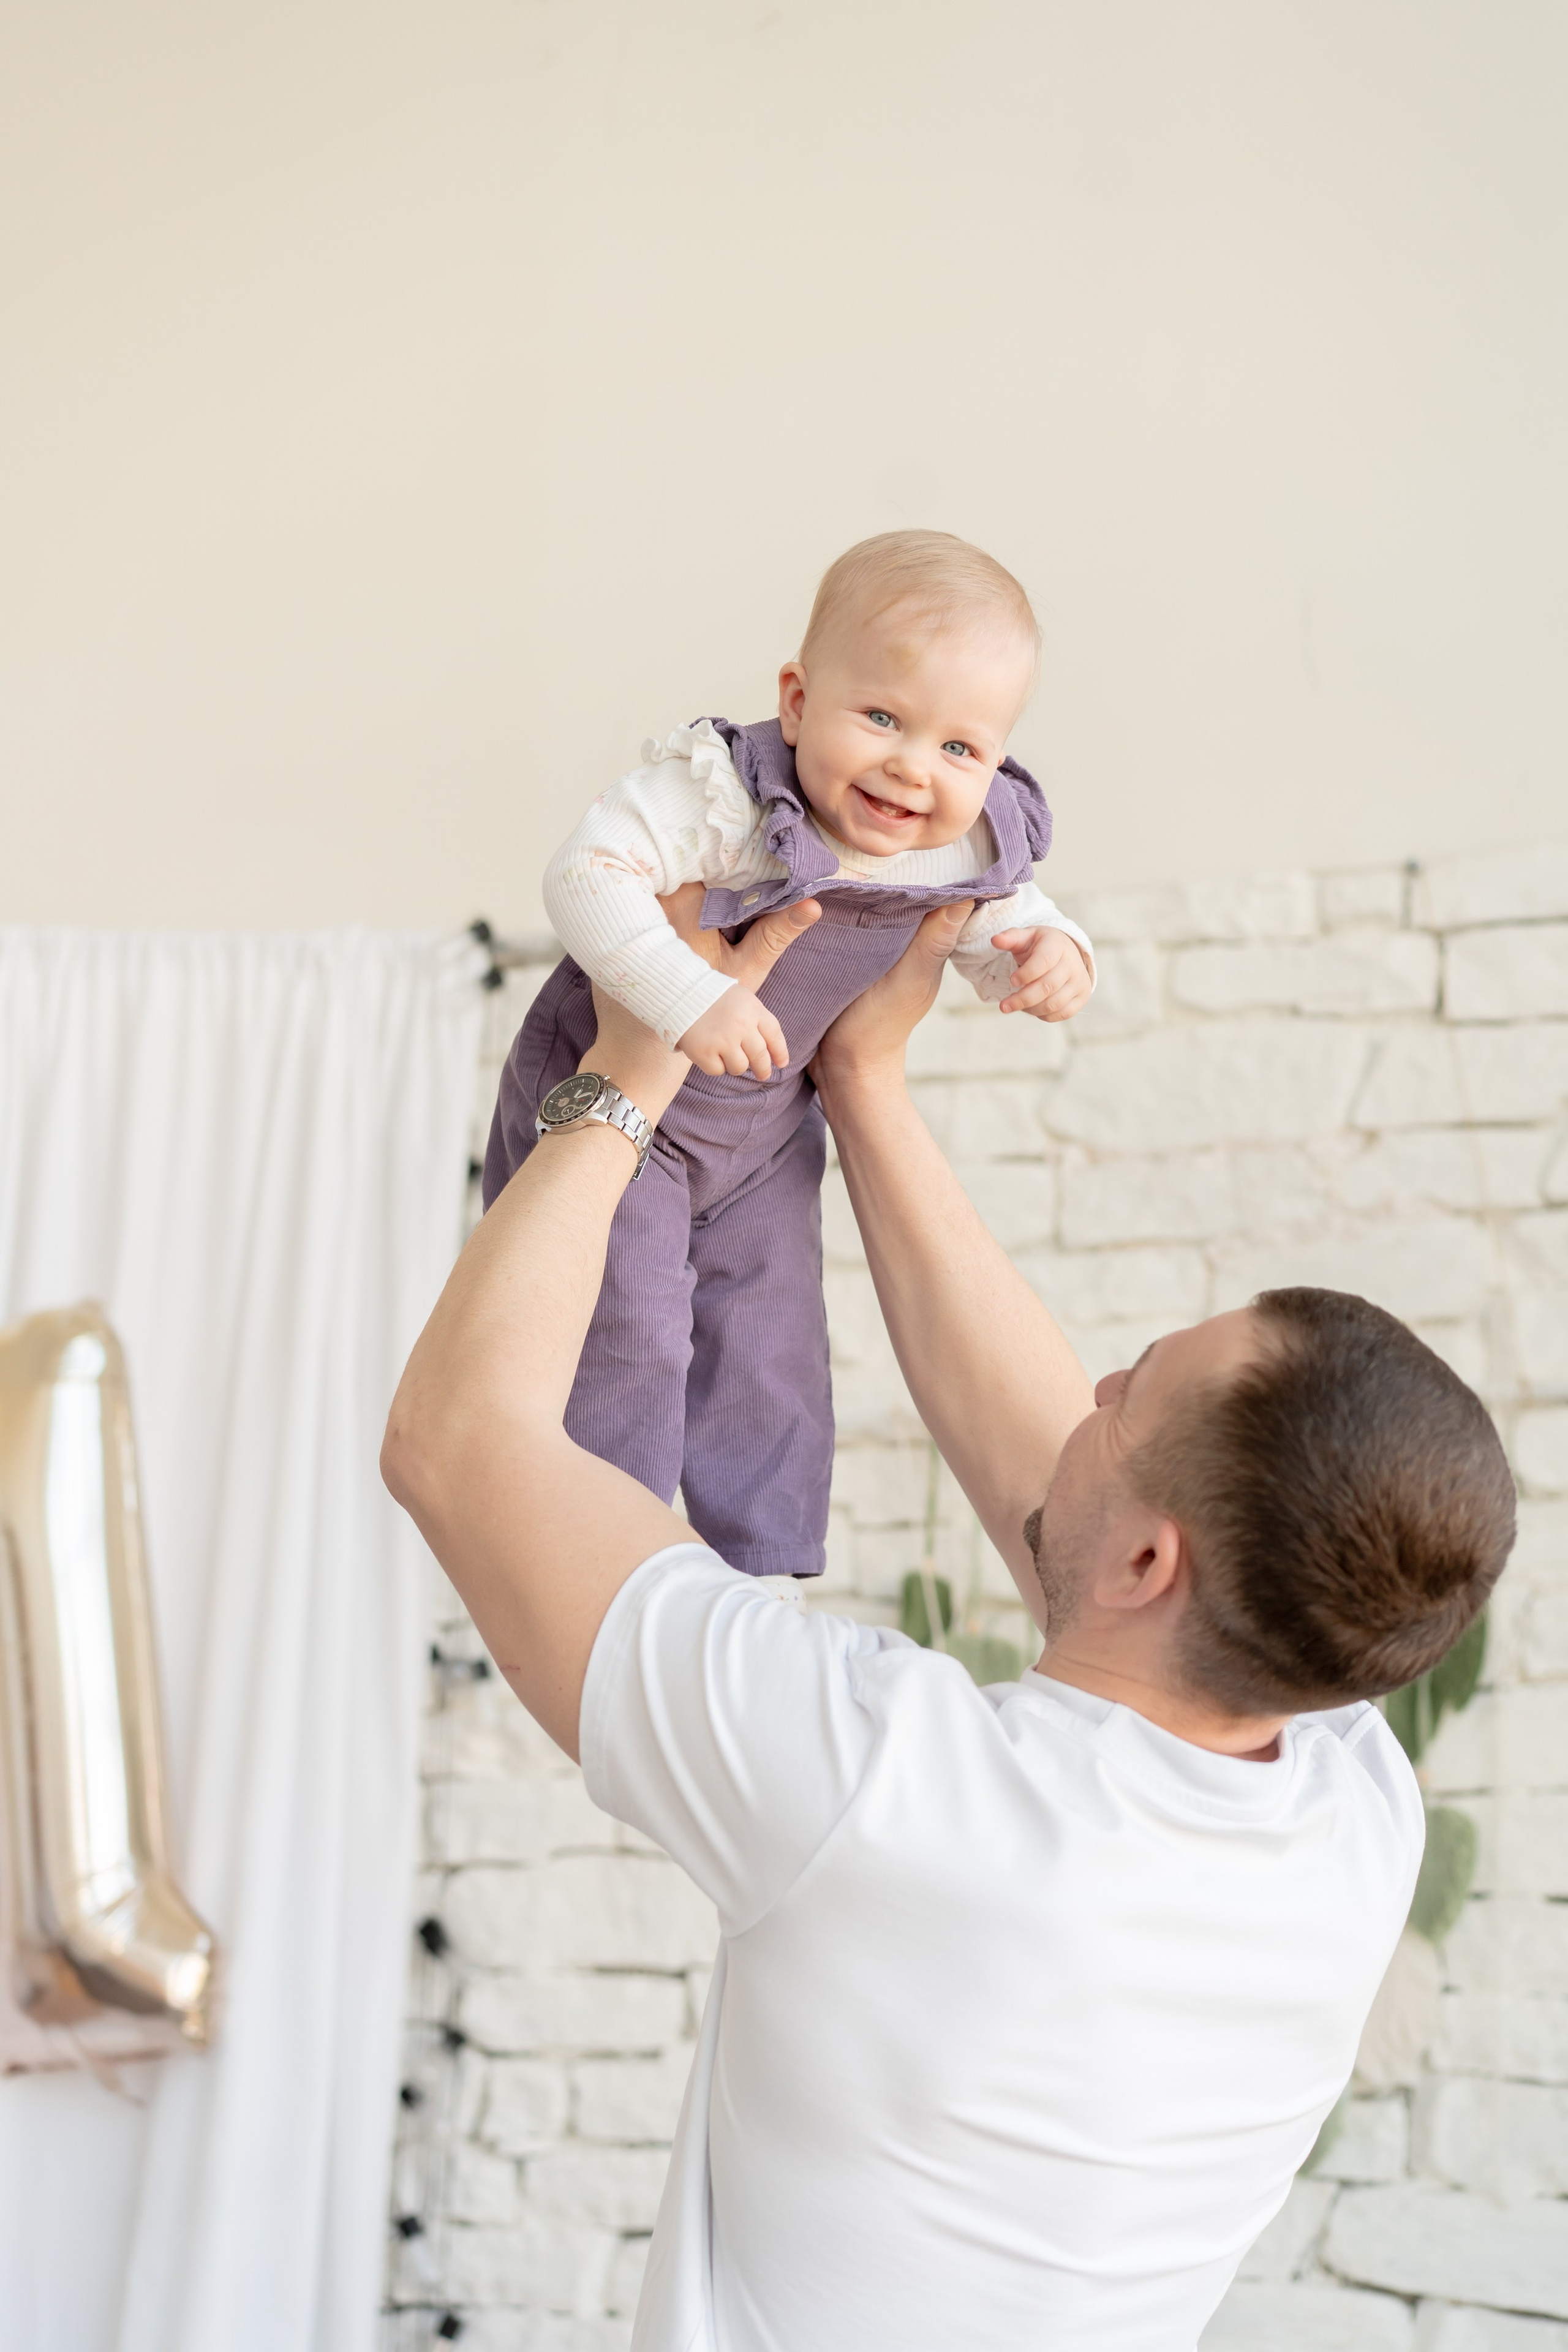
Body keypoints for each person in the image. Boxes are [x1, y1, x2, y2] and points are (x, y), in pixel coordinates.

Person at [383, 899, 1515, 2352]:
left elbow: (455, 1442)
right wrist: (865, 1084)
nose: (1091, 1389)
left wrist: (632, 1055)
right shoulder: (1348, 1807)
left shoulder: (889, 1795)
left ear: (1151, 1563)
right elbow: (1071, 1503)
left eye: (1130, 1391)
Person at [481, 529, 1094, 1577]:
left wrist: (1055, 958)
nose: (914, 767)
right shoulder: (722, 797)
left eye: (961, 748)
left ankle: (762, 1576)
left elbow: (1010, 920)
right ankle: (610, 1569)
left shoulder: (965, 842)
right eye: (883, 718)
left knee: (772, 1346)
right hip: (622, 1102)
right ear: (800, 701)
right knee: (631, 1334)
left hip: (766, 1131)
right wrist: (688, 996)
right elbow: (584, 876)